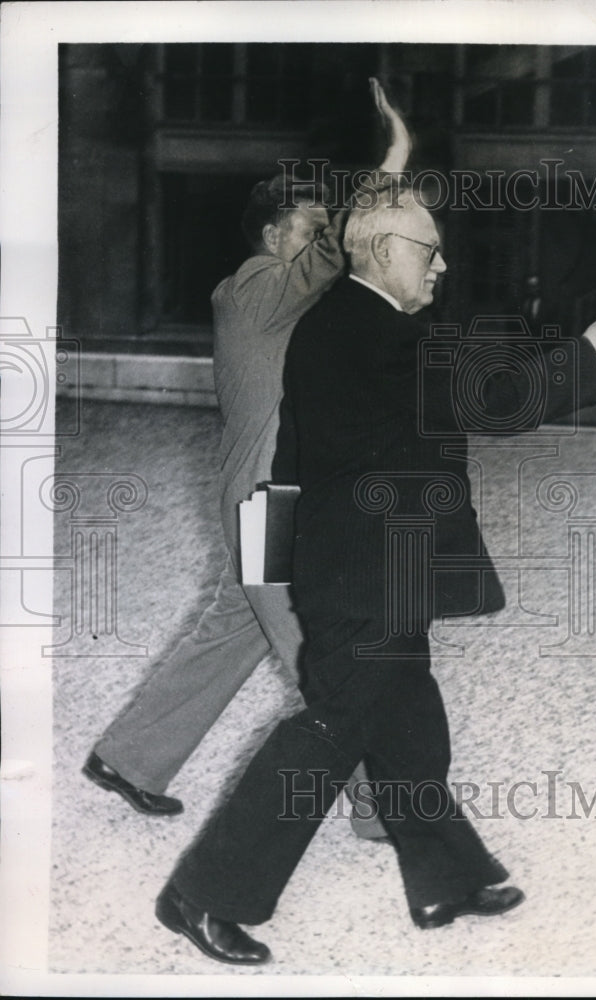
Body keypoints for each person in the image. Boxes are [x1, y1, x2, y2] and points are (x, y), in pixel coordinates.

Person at [154, 187, 596, 964]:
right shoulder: (380, 335)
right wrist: (592, 350)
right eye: (430, 251)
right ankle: (201, 895)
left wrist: (273, 570)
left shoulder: (340, 327)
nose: (444, 264)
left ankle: (444, 879)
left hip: (371, 572)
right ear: (384, 251)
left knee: (410, 724)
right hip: (363, 580)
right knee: (329, 734)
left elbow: (291, 454)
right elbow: (492, 402)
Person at [83, 79, 410, 819]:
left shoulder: (280, 307)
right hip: (271, 506)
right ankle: (381, 802)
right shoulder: (253, 291)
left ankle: (128, 757)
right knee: (323, 647)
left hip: (270, 502)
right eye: (308, 228)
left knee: (232, 630)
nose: (318, 242)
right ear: (274, 236)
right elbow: (341, 250)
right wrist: (393, 157)